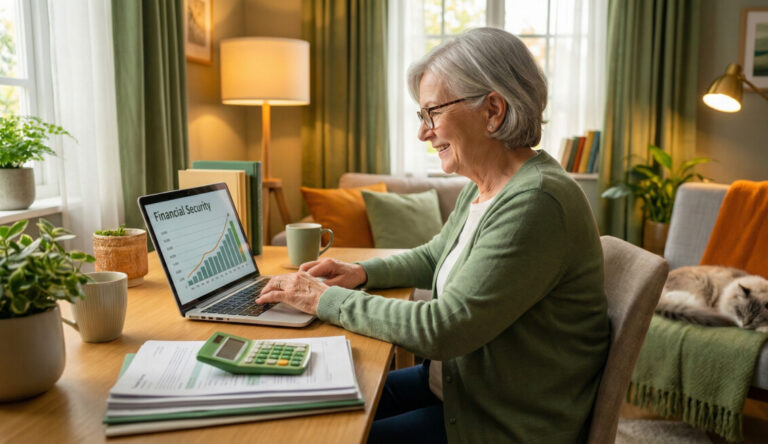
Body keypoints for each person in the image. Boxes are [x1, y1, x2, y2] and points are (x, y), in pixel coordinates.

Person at [256, 27, 610, 443]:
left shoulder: (536, 202)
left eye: (433, 113)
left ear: (493, 110)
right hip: (463, 387)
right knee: (306, 408)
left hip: (502, 421)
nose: (424, 132)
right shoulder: (487, 186)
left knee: (328, 435)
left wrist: (324, 298)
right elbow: (434, 255)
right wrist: (360, 273)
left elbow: (443, 328)